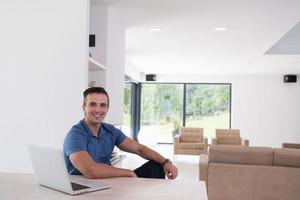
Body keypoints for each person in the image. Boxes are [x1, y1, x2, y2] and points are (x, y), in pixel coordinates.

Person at [63, 87, 178, 179]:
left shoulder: (110, 130)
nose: (98, 110)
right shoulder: (76, 135)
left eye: (102, 105)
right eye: (92, 104)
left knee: (156, 166)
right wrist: (128, 173)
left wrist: (165, 162)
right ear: (84, 107)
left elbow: (139, 149)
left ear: (107, 108)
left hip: (110, 183)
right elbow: (90, 170)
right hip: (86, 187)